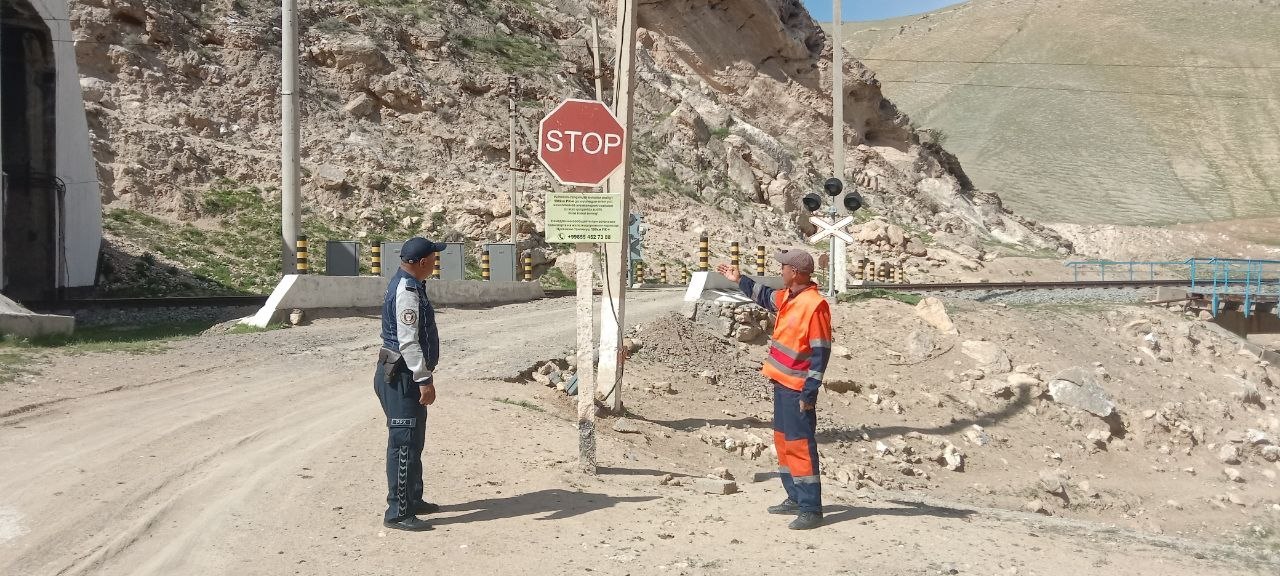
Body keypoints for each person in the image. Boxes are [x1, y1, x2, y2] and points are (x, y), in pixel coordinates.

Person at [717, 250, 832, 530]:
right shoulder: (789, 296)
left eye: (784, 267)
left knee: (800, 446)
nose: (781, 271)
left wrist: (810, 391)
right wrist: (739, 279)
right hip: (782, 383)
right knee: (783, 442)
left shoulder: (815, 305)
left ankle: (811, 508)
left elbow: (821, 352)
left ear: (796, 272)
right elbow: (765, 296)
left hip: (798, 388)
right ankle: (795, 497)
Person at [375, 237, 446, 531]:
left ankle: (412, 499)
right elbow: (408, 342)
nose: (436, 262)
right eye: (433, 258)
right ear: (422, 262)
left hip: (404, 375)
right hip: (403, 377)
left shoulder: (412, 284)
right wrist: (423, 378)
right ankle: (398, 512)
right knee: (403, 443)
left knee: (414, 440)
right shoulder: (406, 291)